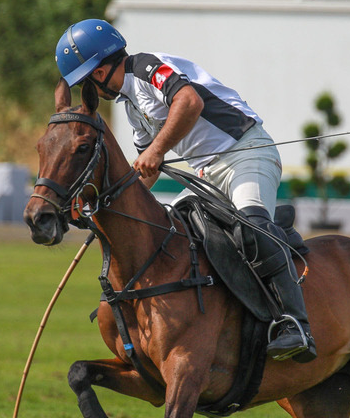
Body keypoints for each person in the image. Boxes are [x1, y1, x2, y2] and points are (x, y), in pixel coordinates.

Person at [54, 19, 316, 363]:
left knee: (251, 226)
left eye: (85, 80)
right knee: (166, 236)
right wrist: (101, 207)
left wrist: (158, 150)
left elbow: (189, 102)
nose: (90, 89)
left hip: (246, 152)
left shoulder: (146, 68)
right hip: (206, 174)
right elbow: (143, 172)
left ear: (99, 72)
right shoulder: (132, 106)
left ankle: (295, 324)